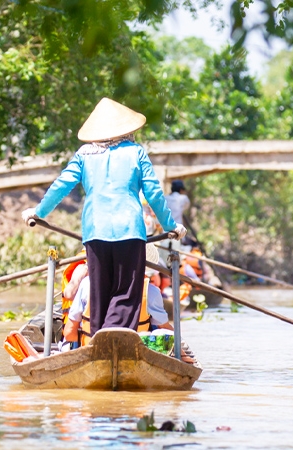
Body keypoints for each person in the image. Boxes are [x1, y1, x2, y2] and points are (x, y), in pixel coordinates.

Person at [22, 98, 186, 336]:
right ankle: (113, 338)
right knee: (126, 294)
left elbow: (61, 185)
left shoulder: (84, 154)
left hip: (95, 231)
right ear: (126, 130)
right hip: (130, 232)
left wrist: (38, 212)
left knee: (99, 293)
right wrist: (172, 226)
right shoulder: (136, 152)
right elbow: (153, 193)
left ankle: (98, 338)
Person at [62, 245, 172, 350]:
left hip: (93, 351)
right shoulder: (151, 291)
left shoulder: (86, 284)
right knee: (158, 330)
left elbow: (69, 333)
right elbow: (167, 330)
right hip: (135, 352)